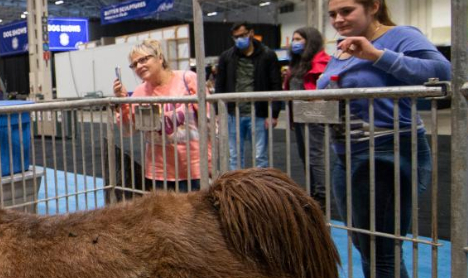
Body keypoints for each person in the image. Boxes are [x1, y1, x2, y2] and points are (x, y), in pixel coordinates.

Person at [320, 0, 450, 278]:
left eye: (347, 11)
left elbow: (442, 74)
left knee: (383, 250)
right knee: (366, 244)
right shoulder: (340, 49)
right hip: (347, 152)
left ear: (374, 6)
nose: (339, 20)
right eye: (333, 14)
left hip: (387, 152)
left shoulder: (400, 36)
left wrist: (377, 55)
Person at [112, 39, 211, 192]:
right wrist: (122, 102)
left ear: (159, 57)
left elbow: (209, 121)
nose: (139, 66)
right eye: (134, 64)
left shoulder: (187, 79)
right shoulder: (139, 93)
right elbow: (128, 130)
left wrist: (209, 160)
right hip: (159, 172)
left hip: (194, 168)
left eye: (144, 59)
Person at [215, 22, 282, 170]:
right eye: (236, 37)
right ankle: (237, 189)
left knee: (260, 156)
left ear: (251, 33)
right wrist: (218, 112)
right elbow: (220, 85)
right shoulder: (226, 57)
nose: (239, 39)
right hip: (233, 113)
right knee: (234, 156)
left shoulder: (267, 55)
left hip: (258, 113)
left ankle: (261, 188)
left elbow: (276, 83)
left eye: (242, 35)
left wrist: (274, 113)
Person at [283, 27, 331, 207]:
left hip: (316, 113)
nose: (294, 43)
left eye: (299, 39)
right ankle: (313, 192)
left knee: (315, 155)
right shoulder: (296, 64)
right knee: (305, 156)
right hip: (299, 114)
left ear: (309, 40)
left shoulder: (323, 62)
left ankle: (322, 195)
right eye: (294, 39)